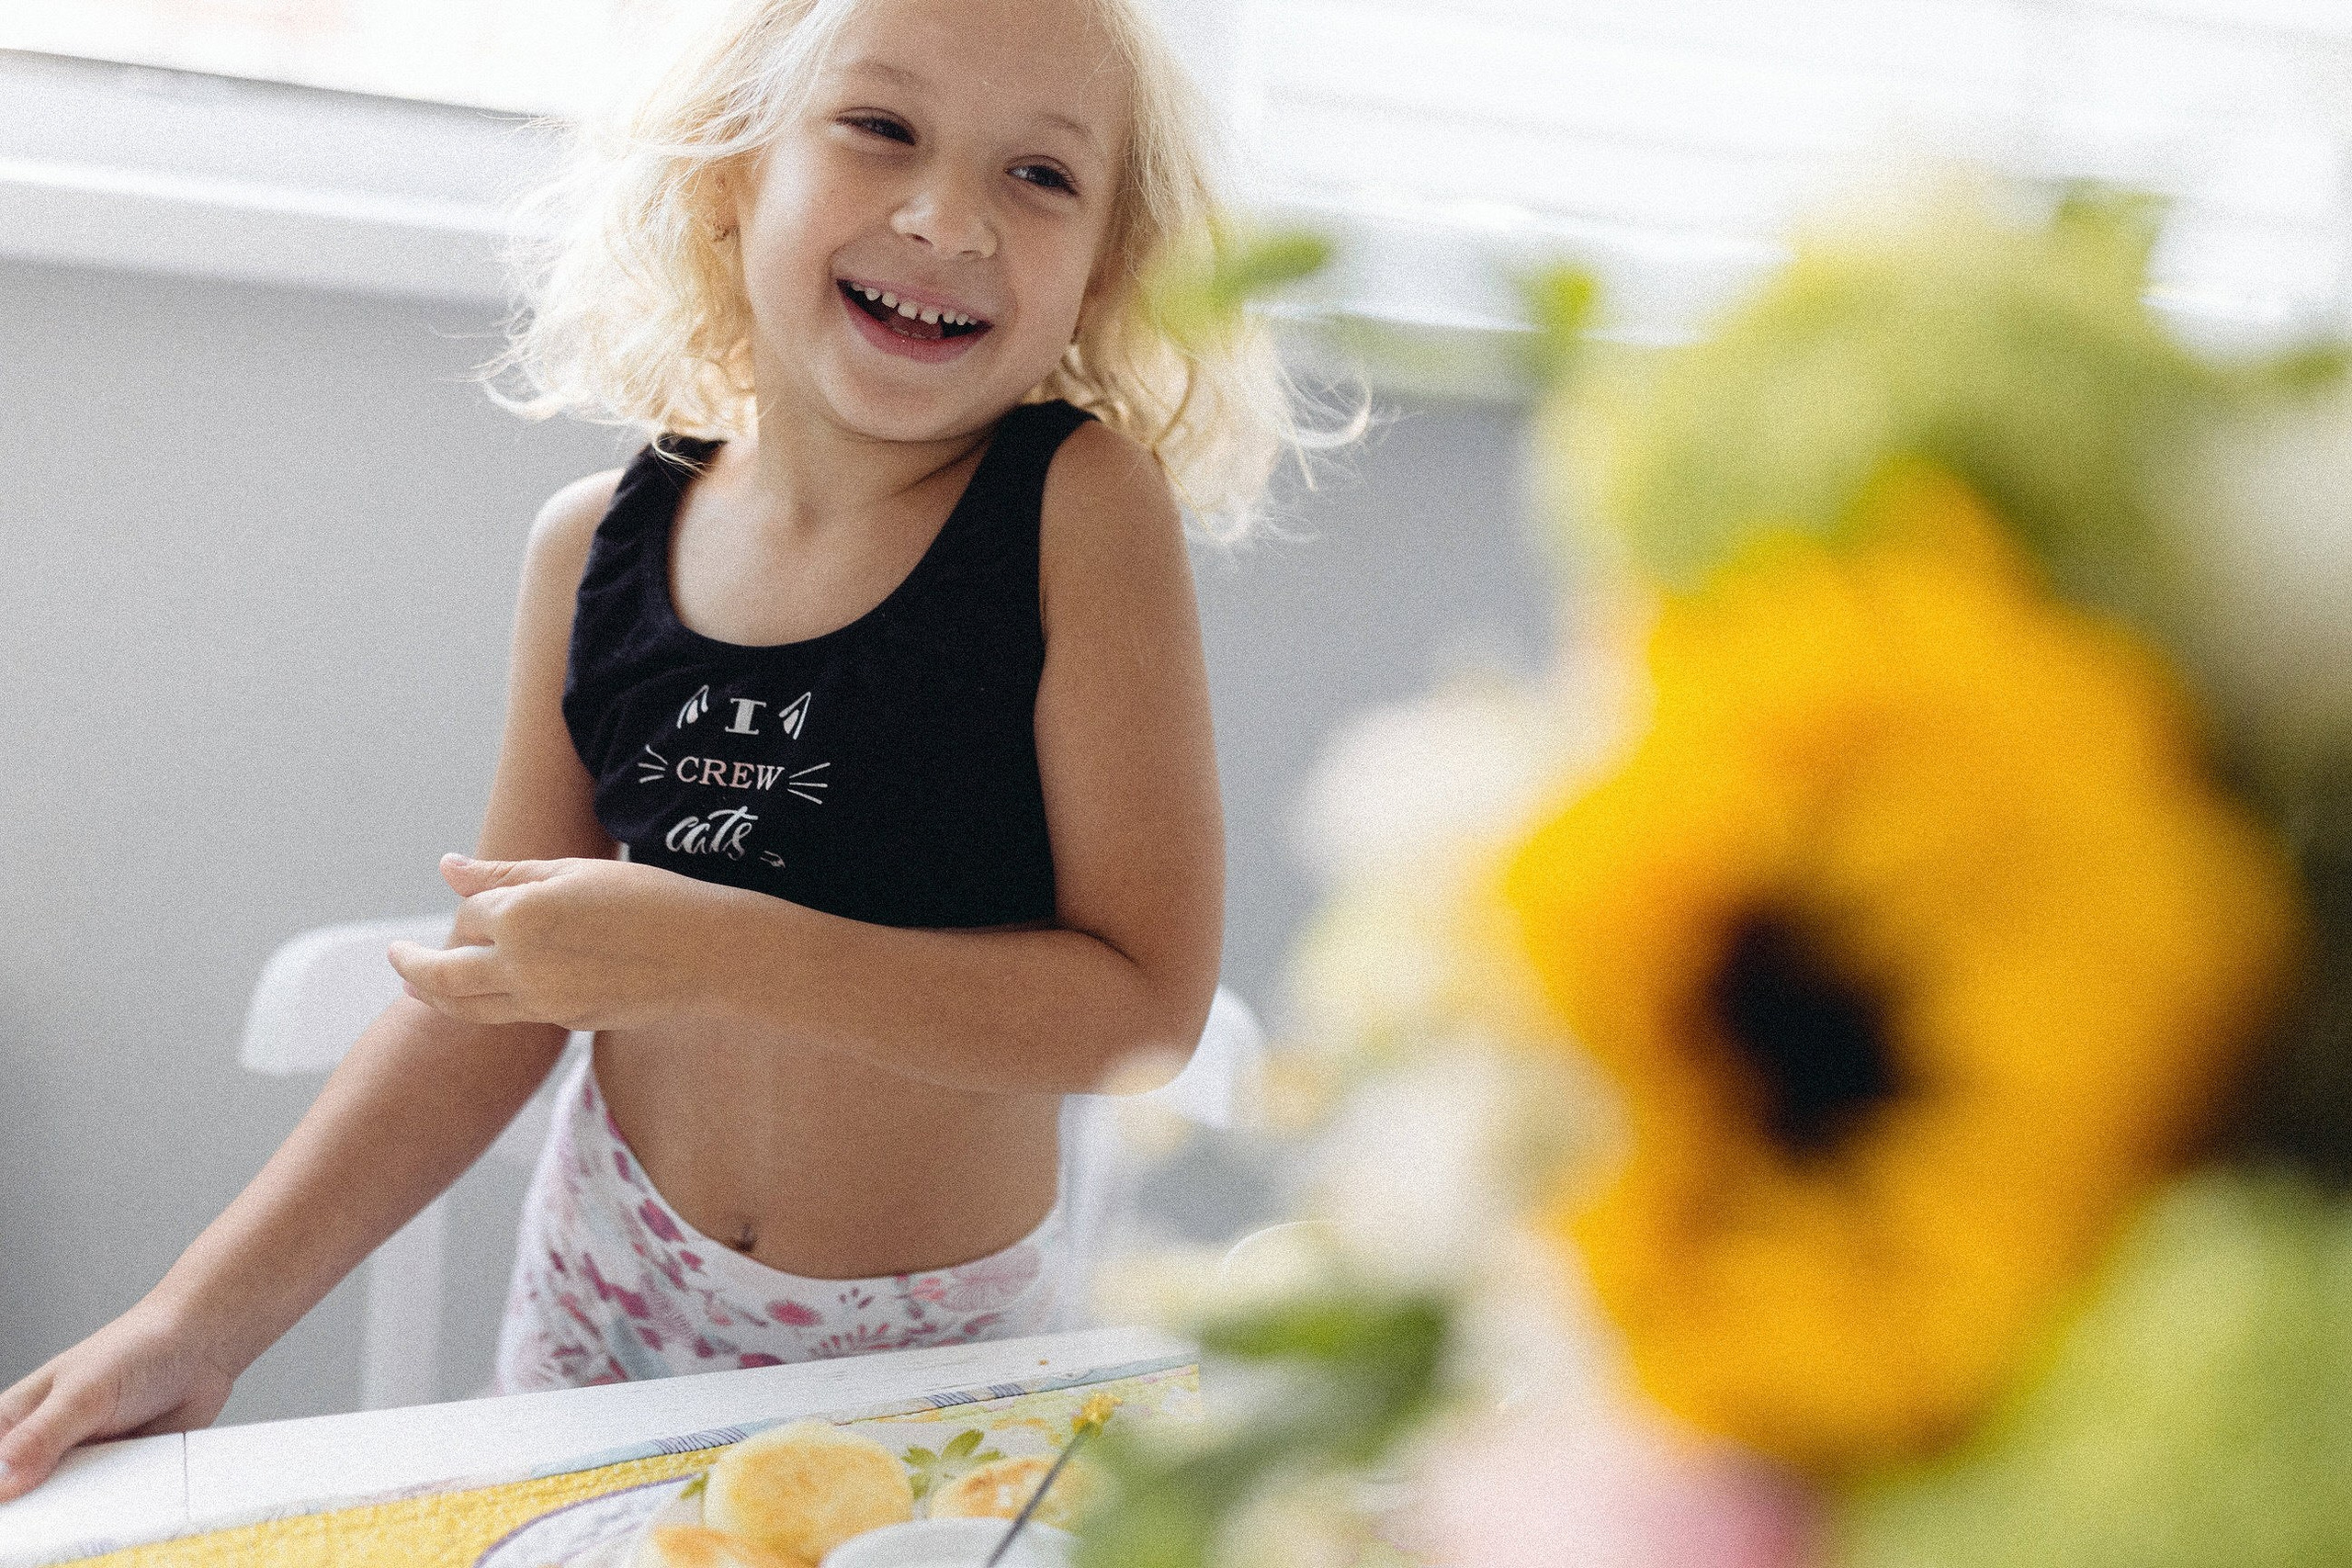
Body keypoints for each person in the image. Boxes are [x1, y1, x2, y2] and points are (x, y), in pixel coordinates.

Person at [0, 0, 1335, 1497]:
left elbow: (1140, 1010)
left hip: (926, 1361)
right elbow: (492, 994)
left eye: (1042, 177)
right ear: (726, 175)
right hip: (599, 1306)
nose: (948, 217)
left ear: (1105, 274)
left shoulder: (1076, 513)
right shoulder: (592, 549)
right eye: (881, 127)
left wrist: (710, 950)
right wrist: (196, 1322)